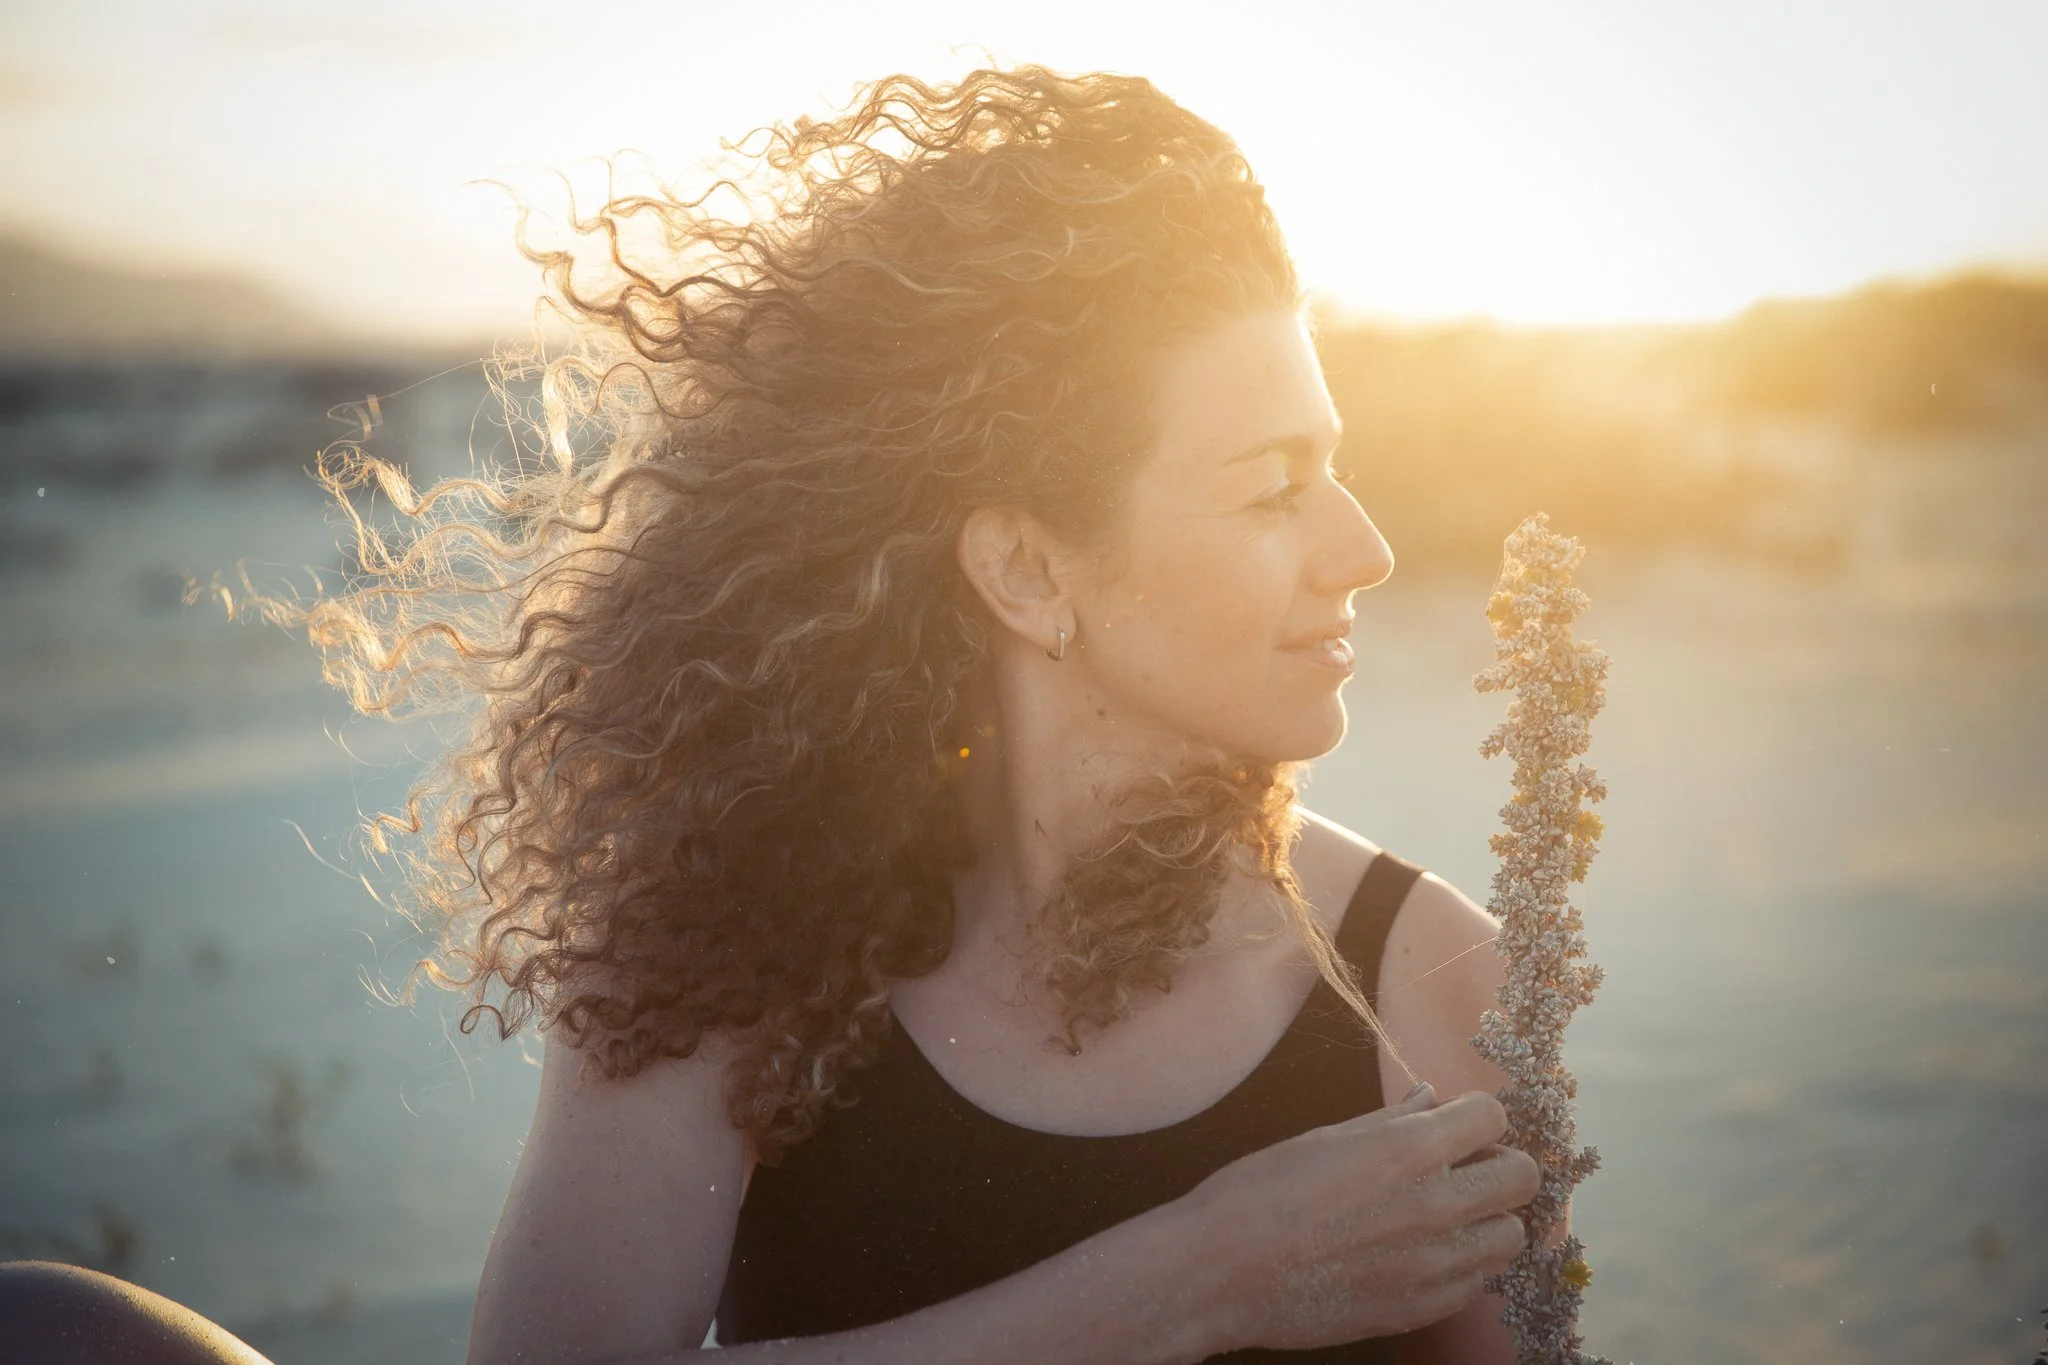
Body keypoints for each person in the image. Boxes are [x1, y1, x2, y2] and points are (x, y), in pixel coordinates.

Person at [0, 63, 1558, 1365]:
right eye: (1274, 488)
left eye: (1334, 466)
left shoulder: (1426, 983)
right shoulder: (730, 940)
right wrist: (1196, 1282)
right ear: (1021, 566)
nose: (1365, 549)